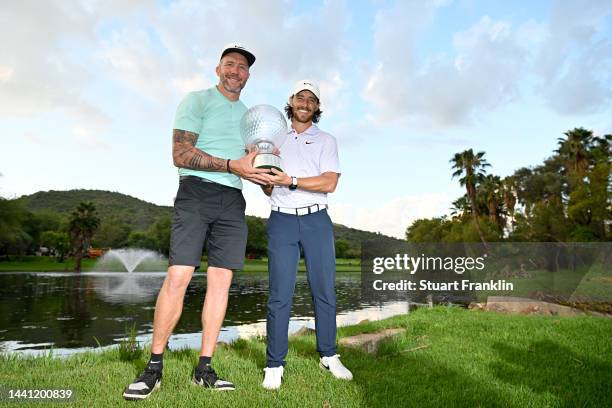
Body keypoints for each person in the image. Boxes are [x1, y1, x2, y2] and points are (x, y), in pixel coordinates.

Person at [123, 43, 270, 400]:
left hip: (233, 201)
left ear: (248, 76)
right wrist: (232, 165)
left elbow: (254, 168)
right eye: (230, 64)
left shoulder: (252, 118)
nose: (236, 71)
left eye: (243, 68)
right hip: (196, 194)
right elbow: (181, 154)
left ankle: (204, 367)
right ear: (218, 69)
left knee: (221, 283)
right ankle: (153, 368)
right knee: (179, 276)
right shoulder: (196, 100)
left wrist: (269, 175)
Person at [260, 79, 353, 390]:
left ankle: (329, 353)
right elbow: (268, 184)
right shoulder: (273, 138)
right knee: (279, 294)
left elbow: (329, 183)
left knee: (324, 289)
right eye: (301, 97)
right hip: (281, 220)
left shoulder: (326, 140)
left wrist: (292, 180)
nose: (305, 103)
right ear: (291, 101)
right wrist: (267, 179)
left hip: (316, 220)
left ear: (316, 107)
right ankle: (274, 363)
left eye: (311, 100)